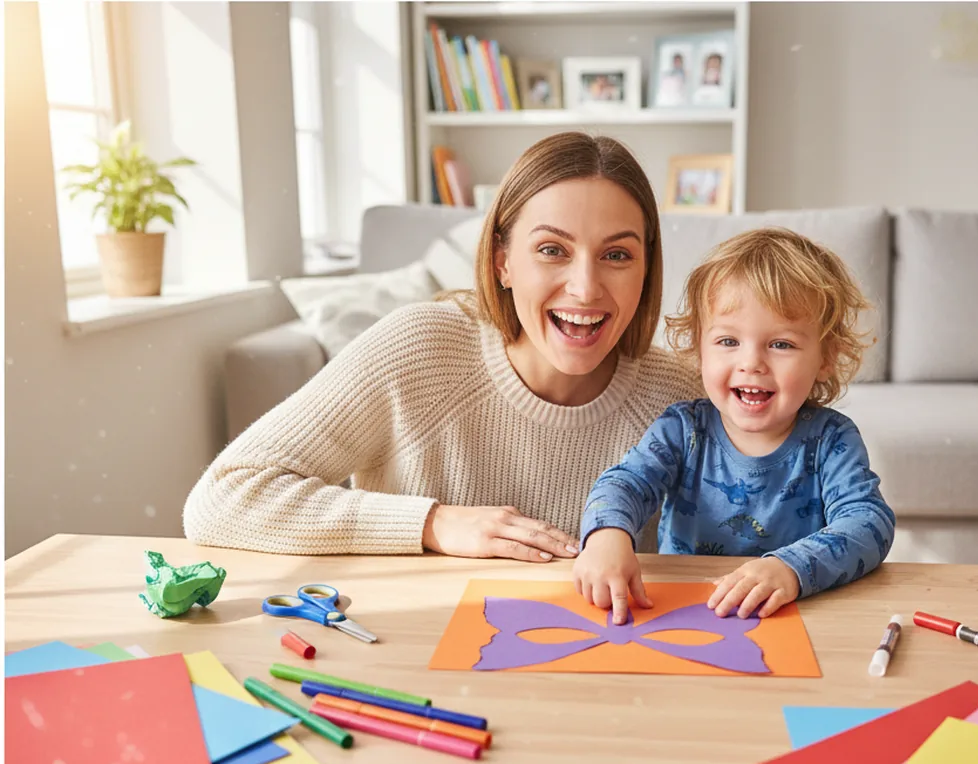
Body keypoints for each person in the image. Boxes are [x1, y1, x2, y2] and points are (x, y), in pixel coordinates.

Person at [183, 133, 701, 561]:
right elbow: (221, 497)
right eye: (551, 250)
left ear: (646, 269)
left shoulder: (683, 398)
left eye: (616, 254)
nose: (585, 288)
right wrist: (431, 523)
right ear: (502, 261)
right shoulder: (421, 348)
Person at [572, 228, 895, 624]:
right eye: (728, 341)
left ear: (825, 358)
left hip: (798, 616)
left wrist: (791, 568)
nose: (752, 363)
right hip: (683, 612)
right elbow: (624, 484)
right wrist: (607, 537)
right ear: (699, 348)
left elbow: (868, 522)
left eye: (781, 344)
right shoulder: (682, 430)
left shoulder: (832, 440)